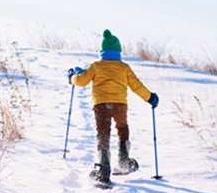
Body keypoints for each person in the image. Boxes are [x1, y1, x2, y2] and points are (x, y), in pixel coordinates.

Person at [68, 29, 159, 185]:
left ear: (102, 51)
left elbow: (81, 81)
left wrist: (72, 77)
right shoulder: (124, 68)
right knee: (122, 128)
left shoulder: (96, 66)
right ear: (118, 51)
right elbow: (137, 86)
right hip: (120, 104)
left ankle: (103, 171)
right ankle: (124, 162)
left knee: (103, 133)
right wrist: (150, 97)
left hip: (101, 104)